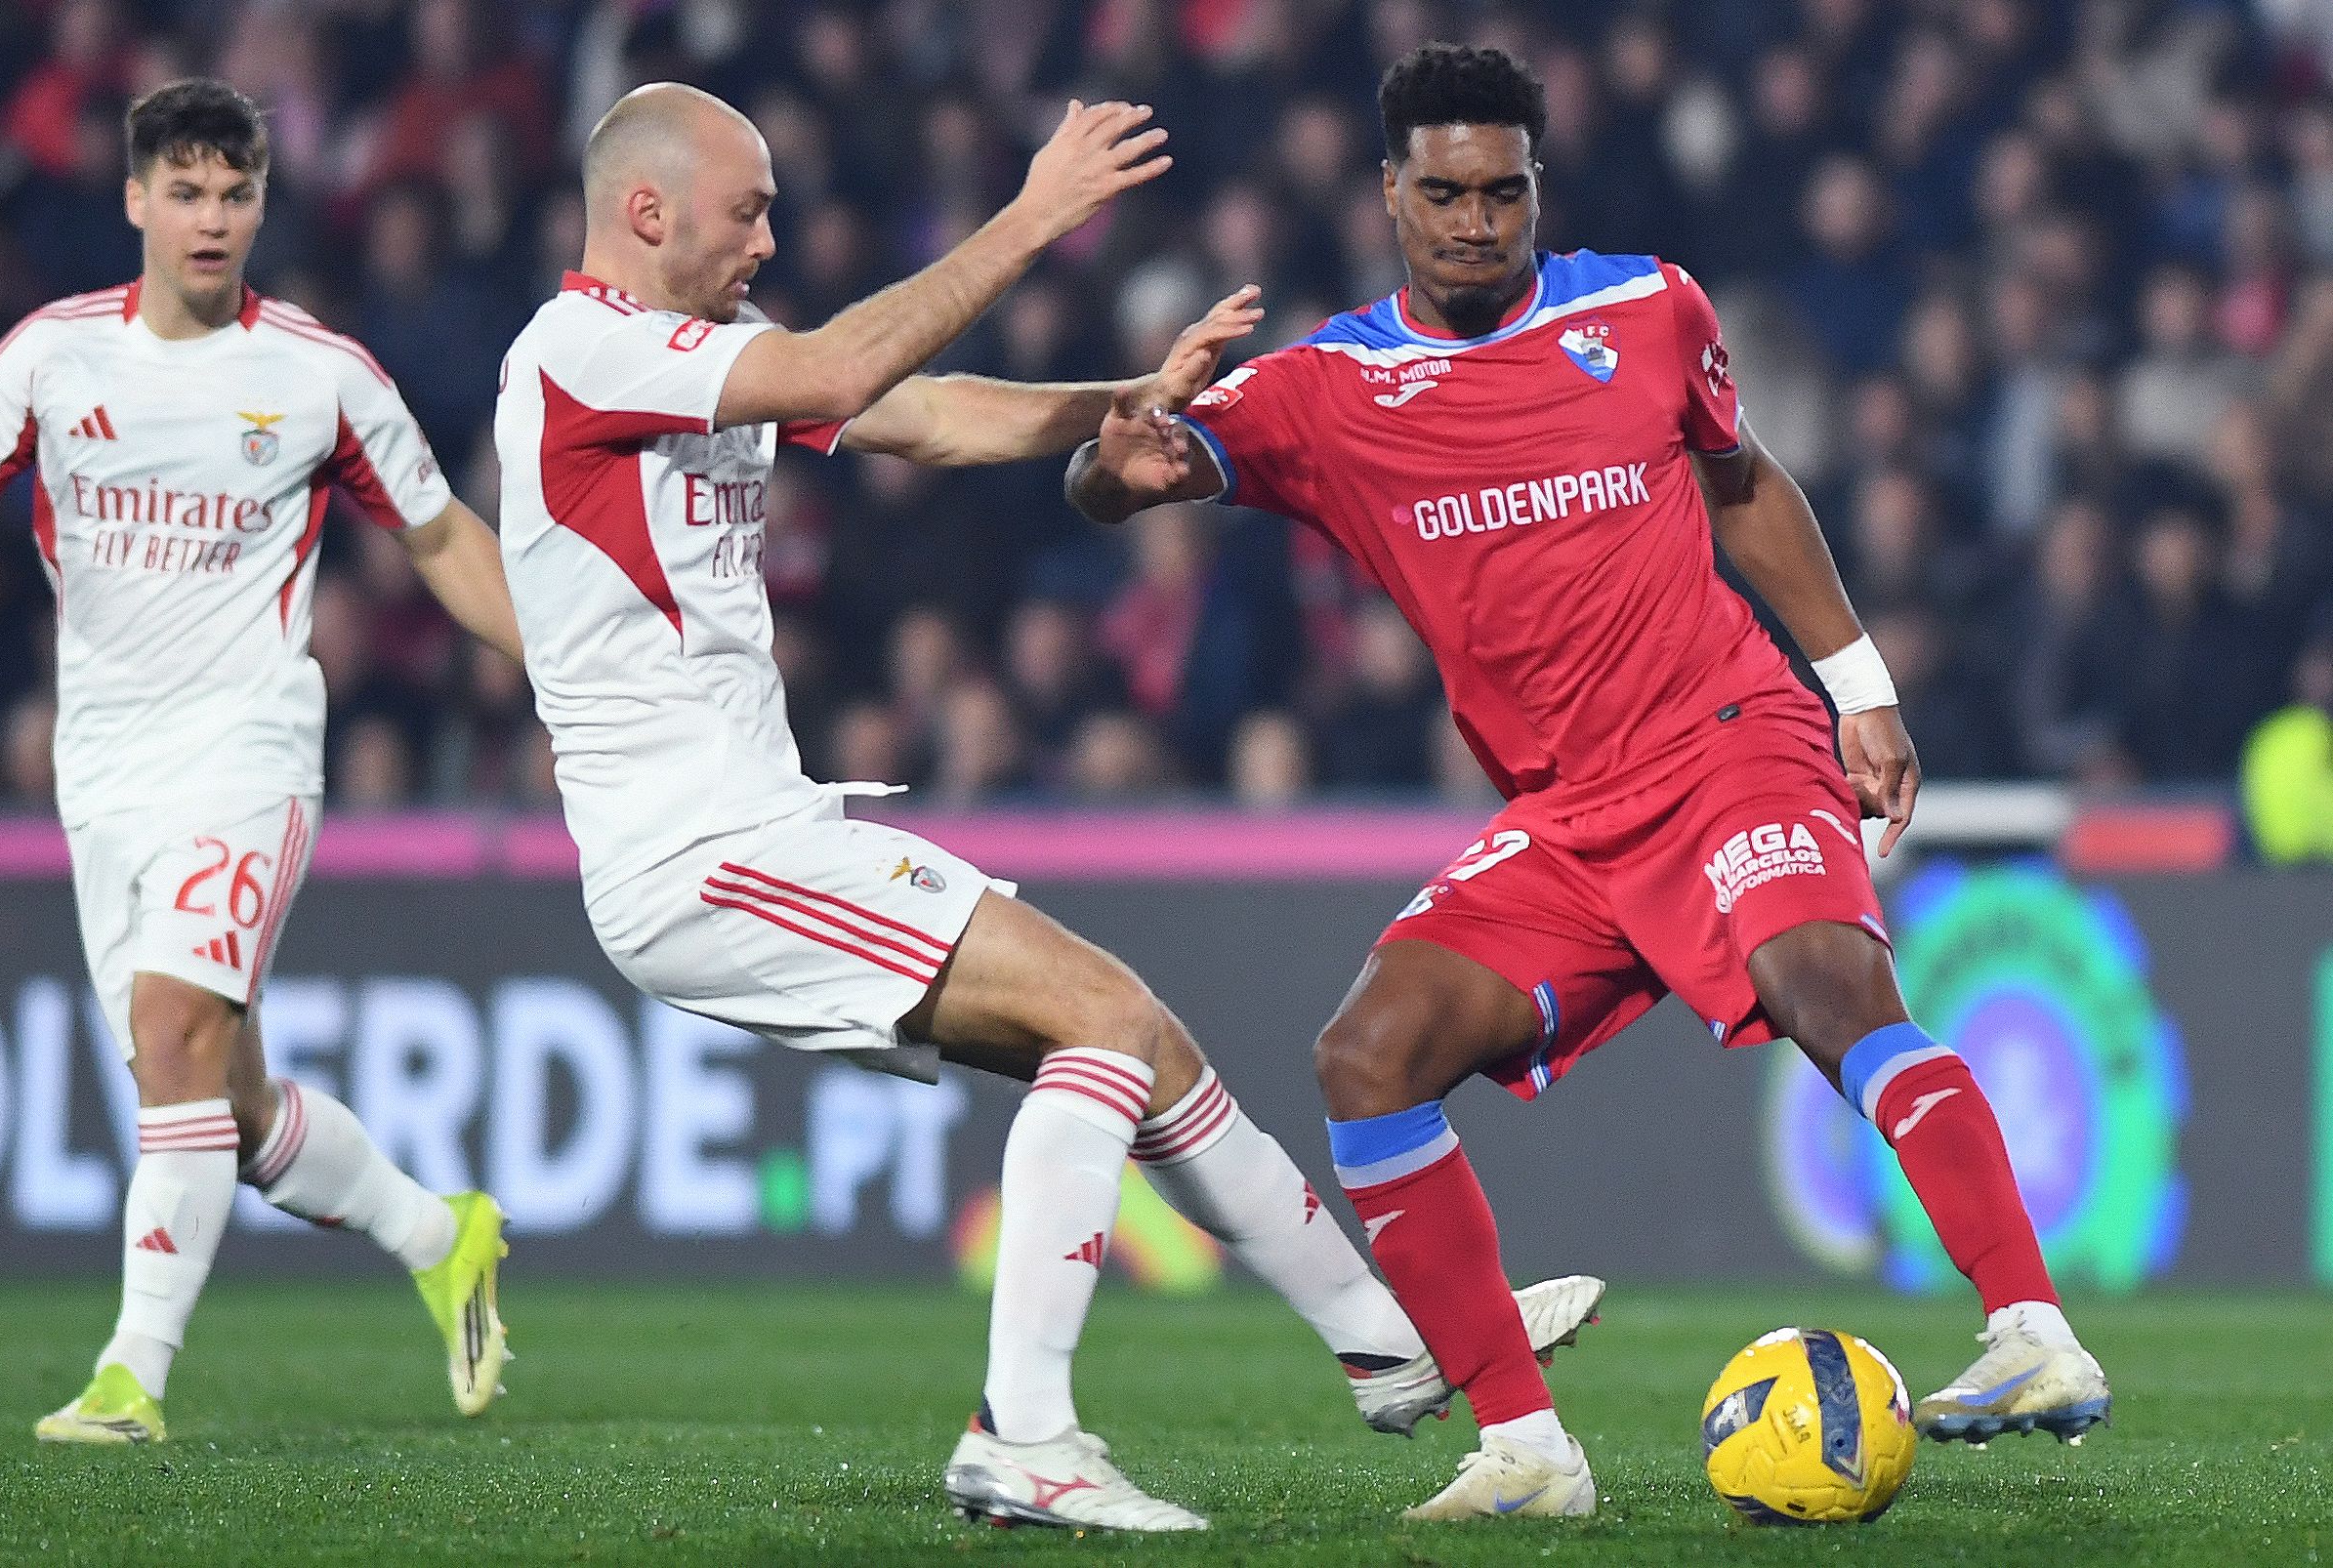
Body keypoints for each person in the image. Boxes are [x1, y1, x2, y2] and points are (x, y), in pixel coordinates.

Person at [493, 82, 1602, 1535]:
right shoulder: (584, 350)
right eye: (747, 206)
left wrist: (1135, 401)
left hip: (758, 833)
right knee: (1098, 1021)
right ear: (648, 212)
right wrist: (1034, 215)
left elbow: (938, 416)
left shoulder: (699, 356)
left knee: (1138, 1029)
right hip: (696, 854)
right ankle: (1024, 1430)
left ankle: (1385, 1340)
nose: (769, 232)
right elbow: (834, 376)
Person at [1067, 43, 2111, 1522]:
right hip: (1566, 817)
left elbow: (1739, 483)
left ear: (1535, 186)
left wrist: (1858, 687)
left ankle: (2030, 1331)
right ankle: (1526, 1449)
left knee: (1829, 989)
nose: (1475, 220)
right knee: (1367, 1053)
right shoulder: (1324, 391)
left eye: (1503, 191)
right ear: (1389, 193)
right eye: (1444, 192)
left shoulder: (1643, 308)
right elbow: (1123, 476)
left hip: (1729, 739)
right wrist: (1111, 465)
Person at [0, 80, 521, 1444]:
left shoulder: (319, 373)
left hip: (249, 748)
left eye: (234, 194)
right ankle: (437, 1230)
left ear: (262, 203)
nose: (210, 219)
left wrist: (572, 673)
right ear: (135, 201)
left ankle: (131, 1376)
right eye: (185, 192)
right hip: (106, 771)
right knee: (222, 1094)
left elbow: (444, 535)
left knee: (172, 1030)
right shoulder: (49, 361)